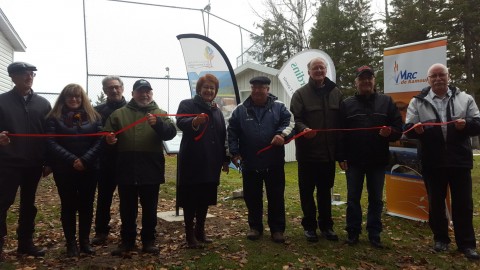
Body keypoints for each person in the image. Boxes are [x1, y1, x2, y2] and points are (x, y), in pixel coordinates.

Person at [404, 63, 480, 260]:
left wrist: (466, 125)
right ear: (428, 80)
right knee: (436, 203)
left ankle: (467, 244)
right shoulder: (418, 101)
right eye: (433, 76)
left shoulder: (465, 99)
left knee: (463, 204)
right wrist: (416, 130)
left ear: (449, 77)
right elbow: (408, 128)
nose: (438, 78)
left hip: (459, 160)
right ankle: (441, 240)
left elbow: (478, 124)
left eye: (441, 75)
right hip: (432, 161)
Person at [104, 79, 177, 255]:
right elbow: (106, 136)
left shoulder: (160, 113)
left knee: (150, 208)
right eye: (140, 91)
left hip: (151, 168)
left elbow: (170, 133)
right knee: (127, 208)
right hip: (126, 168)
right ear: (132, 94)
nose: (144, 95)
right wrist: (109, 140)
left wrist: (158, 124)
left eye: (147, 91)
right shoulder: (118, 114)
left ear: (151, 93)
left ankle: (148, 241)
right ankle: (127, 241)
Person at [336, 66, 403, 248]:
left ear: (374, 81)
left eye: (369, 78)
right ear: (356, 82)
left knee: (375, 199)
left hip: (377, 160)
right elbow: (340, 133)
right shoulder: (347, 104)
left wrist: (389, 133)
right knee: (353, 198)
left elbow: (399, 130)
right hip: (354, 160)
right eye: (362, 78)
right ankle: (353, 232)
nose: (366, 81)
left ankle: (374, 233)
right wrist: (340, 156)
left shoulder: (386, 102)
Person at [228, 76, 294, 243]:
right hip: (250, 163)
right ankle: (255, 227)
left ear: (268, 89)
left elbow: (290, 122)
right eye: (254, 87)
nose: (257, 90)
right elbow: (232, 131)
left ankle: (277, 230)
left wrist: (281, 134)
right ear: (251, 89)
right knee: (252, 197)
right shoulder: (240, 109)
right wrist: (234, 152)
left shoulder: (280, 107)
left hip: (274, 162)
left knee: (276, 197)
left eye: (261, 87)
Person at [0, 62, 51, 260]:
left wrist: (48, 161)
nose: (28, 78)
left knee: (29, 205)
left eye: (31, 74)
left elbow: (49, 135)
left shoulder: (43, 104)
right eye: (23, 74)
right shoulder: (2, 102)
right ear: (12, 77)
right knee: (2, 203)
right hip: (8, 163)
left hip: (34, 164)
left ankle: (26, 243)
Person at [289, 57, 343, 242]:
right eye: (315, 68)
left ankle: (327, 226)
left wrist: (340, 153)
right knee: (307, 192)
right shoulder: (300, 94)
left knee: (325, 192)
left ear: (326, 70)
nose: (319, 71)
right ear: (309, 71)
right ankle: (309, 227)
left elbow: (342, 123)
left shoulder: (336, 92)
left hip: (328, 155)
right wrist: (303, 129)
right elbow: (295, 119)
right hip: (307, 154)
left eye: (322, 68)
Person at [45, 84, 103, 257]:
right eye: (70, 96)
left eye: (77, 96)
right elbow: (50, 142)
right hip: (64, 169)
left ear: (82, 98)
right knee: (68, 206)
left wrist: (85, 160)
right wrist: (72, 160)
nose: (74, 100)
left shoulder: (94, 117)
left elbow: (100, 140)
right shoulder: (53, 117)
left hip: (89, 168)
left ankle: (84, 241)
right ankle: (71, 243)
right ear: (63, 98)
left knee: (86, 205)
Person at [176, 74, 230, 248]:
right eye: (206, 87)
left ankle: (200, 230)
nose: (209, 90)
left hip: (211, 163)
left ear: (215, 92)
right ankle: (190, 235)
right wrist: (194, 121)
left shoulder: (217, 110)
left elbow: (222, 136)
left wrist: (224, 160)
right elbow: (180, 122)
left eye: (212, 88)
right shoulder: (187, 104)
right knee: (191, 199)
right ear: (199, 89)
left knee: (205, 198)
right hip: (192, 162)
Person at [91, 76, 127, 246]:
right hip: (105, 161)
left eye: (116, 87)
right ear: (104, 91)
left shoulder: (132, 109)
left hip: (127, 160)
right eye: (109, 88)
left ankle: (128, 231)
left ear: (122, 88)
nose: (114, 90)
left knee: (128, 199)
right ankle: (100, 231)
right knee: (104, 198)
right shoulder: (96, 111)